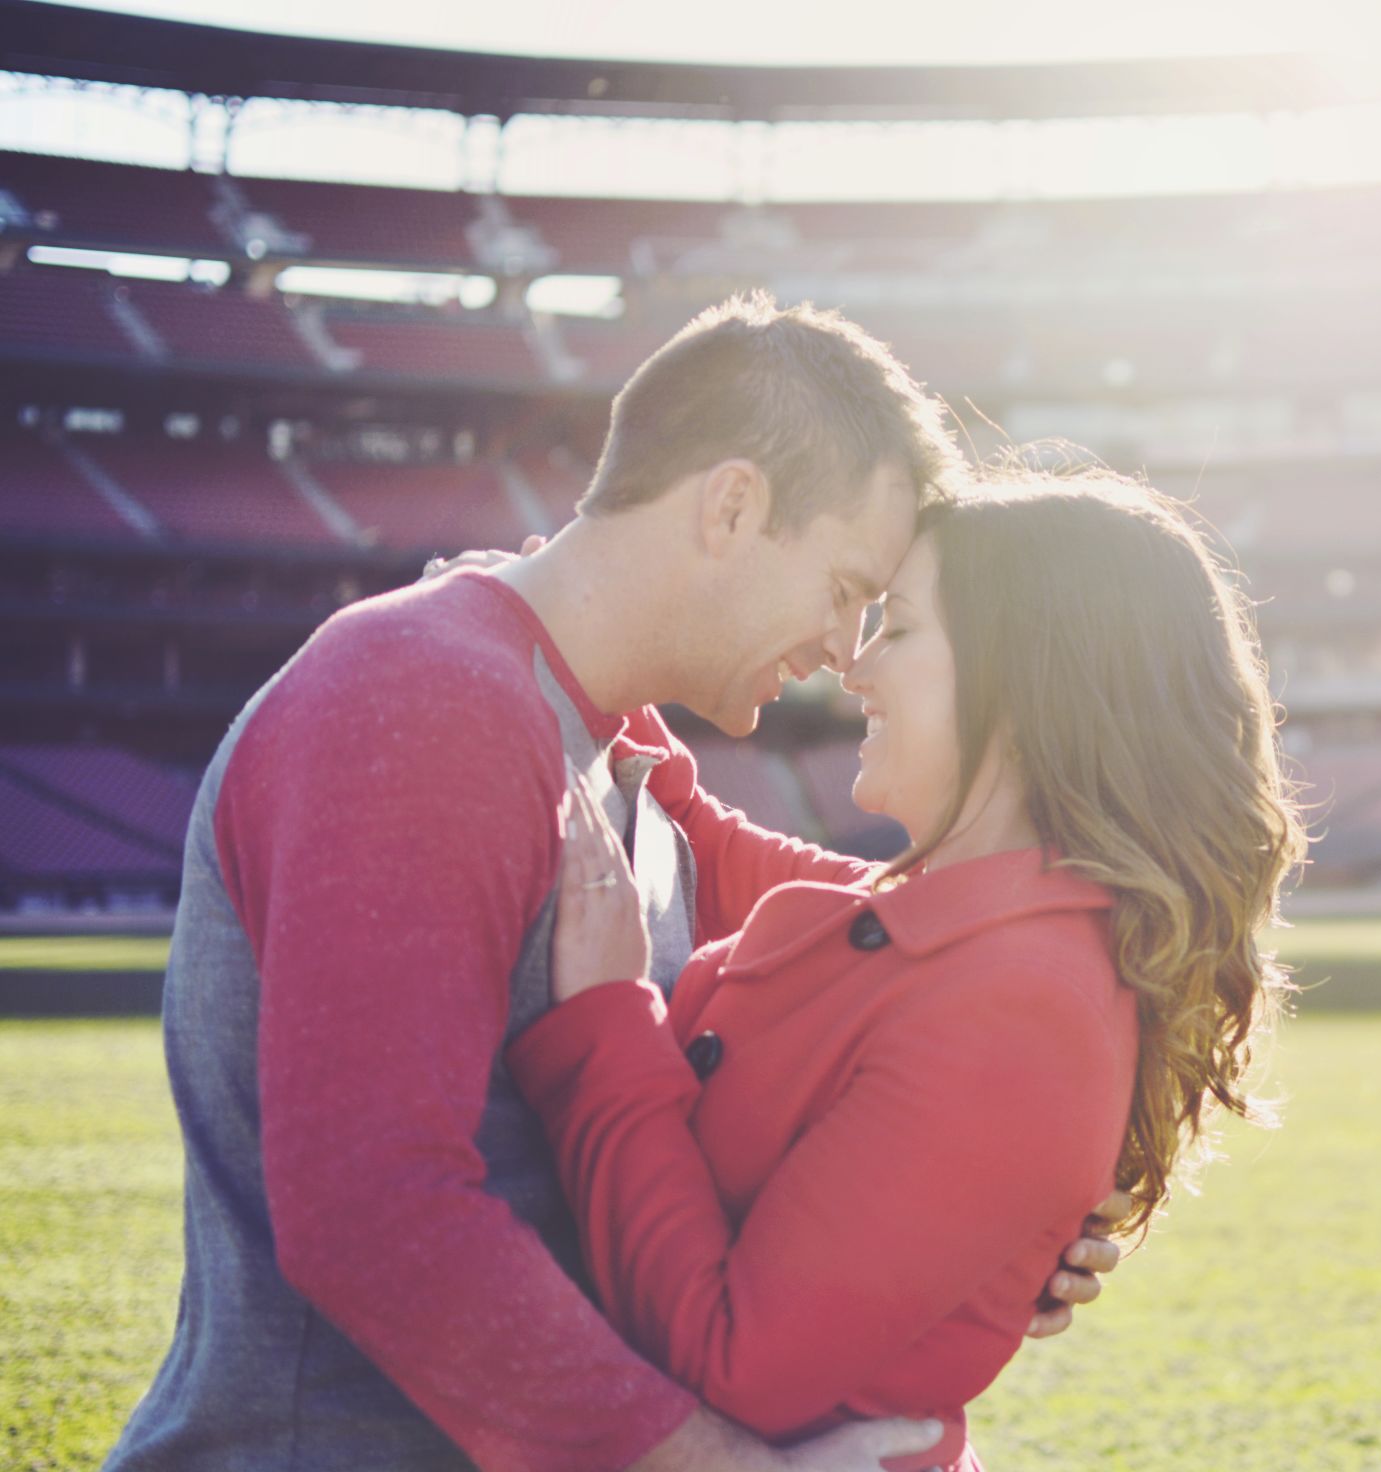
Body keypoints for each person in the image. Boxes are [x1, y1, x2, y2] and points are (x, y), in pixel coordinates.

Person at [108, 296, 1122, 1472]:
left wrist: (993, 1197)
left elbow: (929, 954)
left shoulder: (610, 748)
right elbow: (375, 1215)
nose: (847, 652)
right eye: (846, 587)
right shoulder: (420, 698)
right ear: (732, 507)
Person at [505, 475, 1308, 1472]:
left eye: (902, 628)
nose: (856, 663)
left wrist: (603, 1028)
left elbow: (735, 1358)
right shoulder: (969, 920)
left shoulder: (1025, 1007)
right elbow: (713, 854)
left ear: (1020, 685)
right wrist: (561, 632)